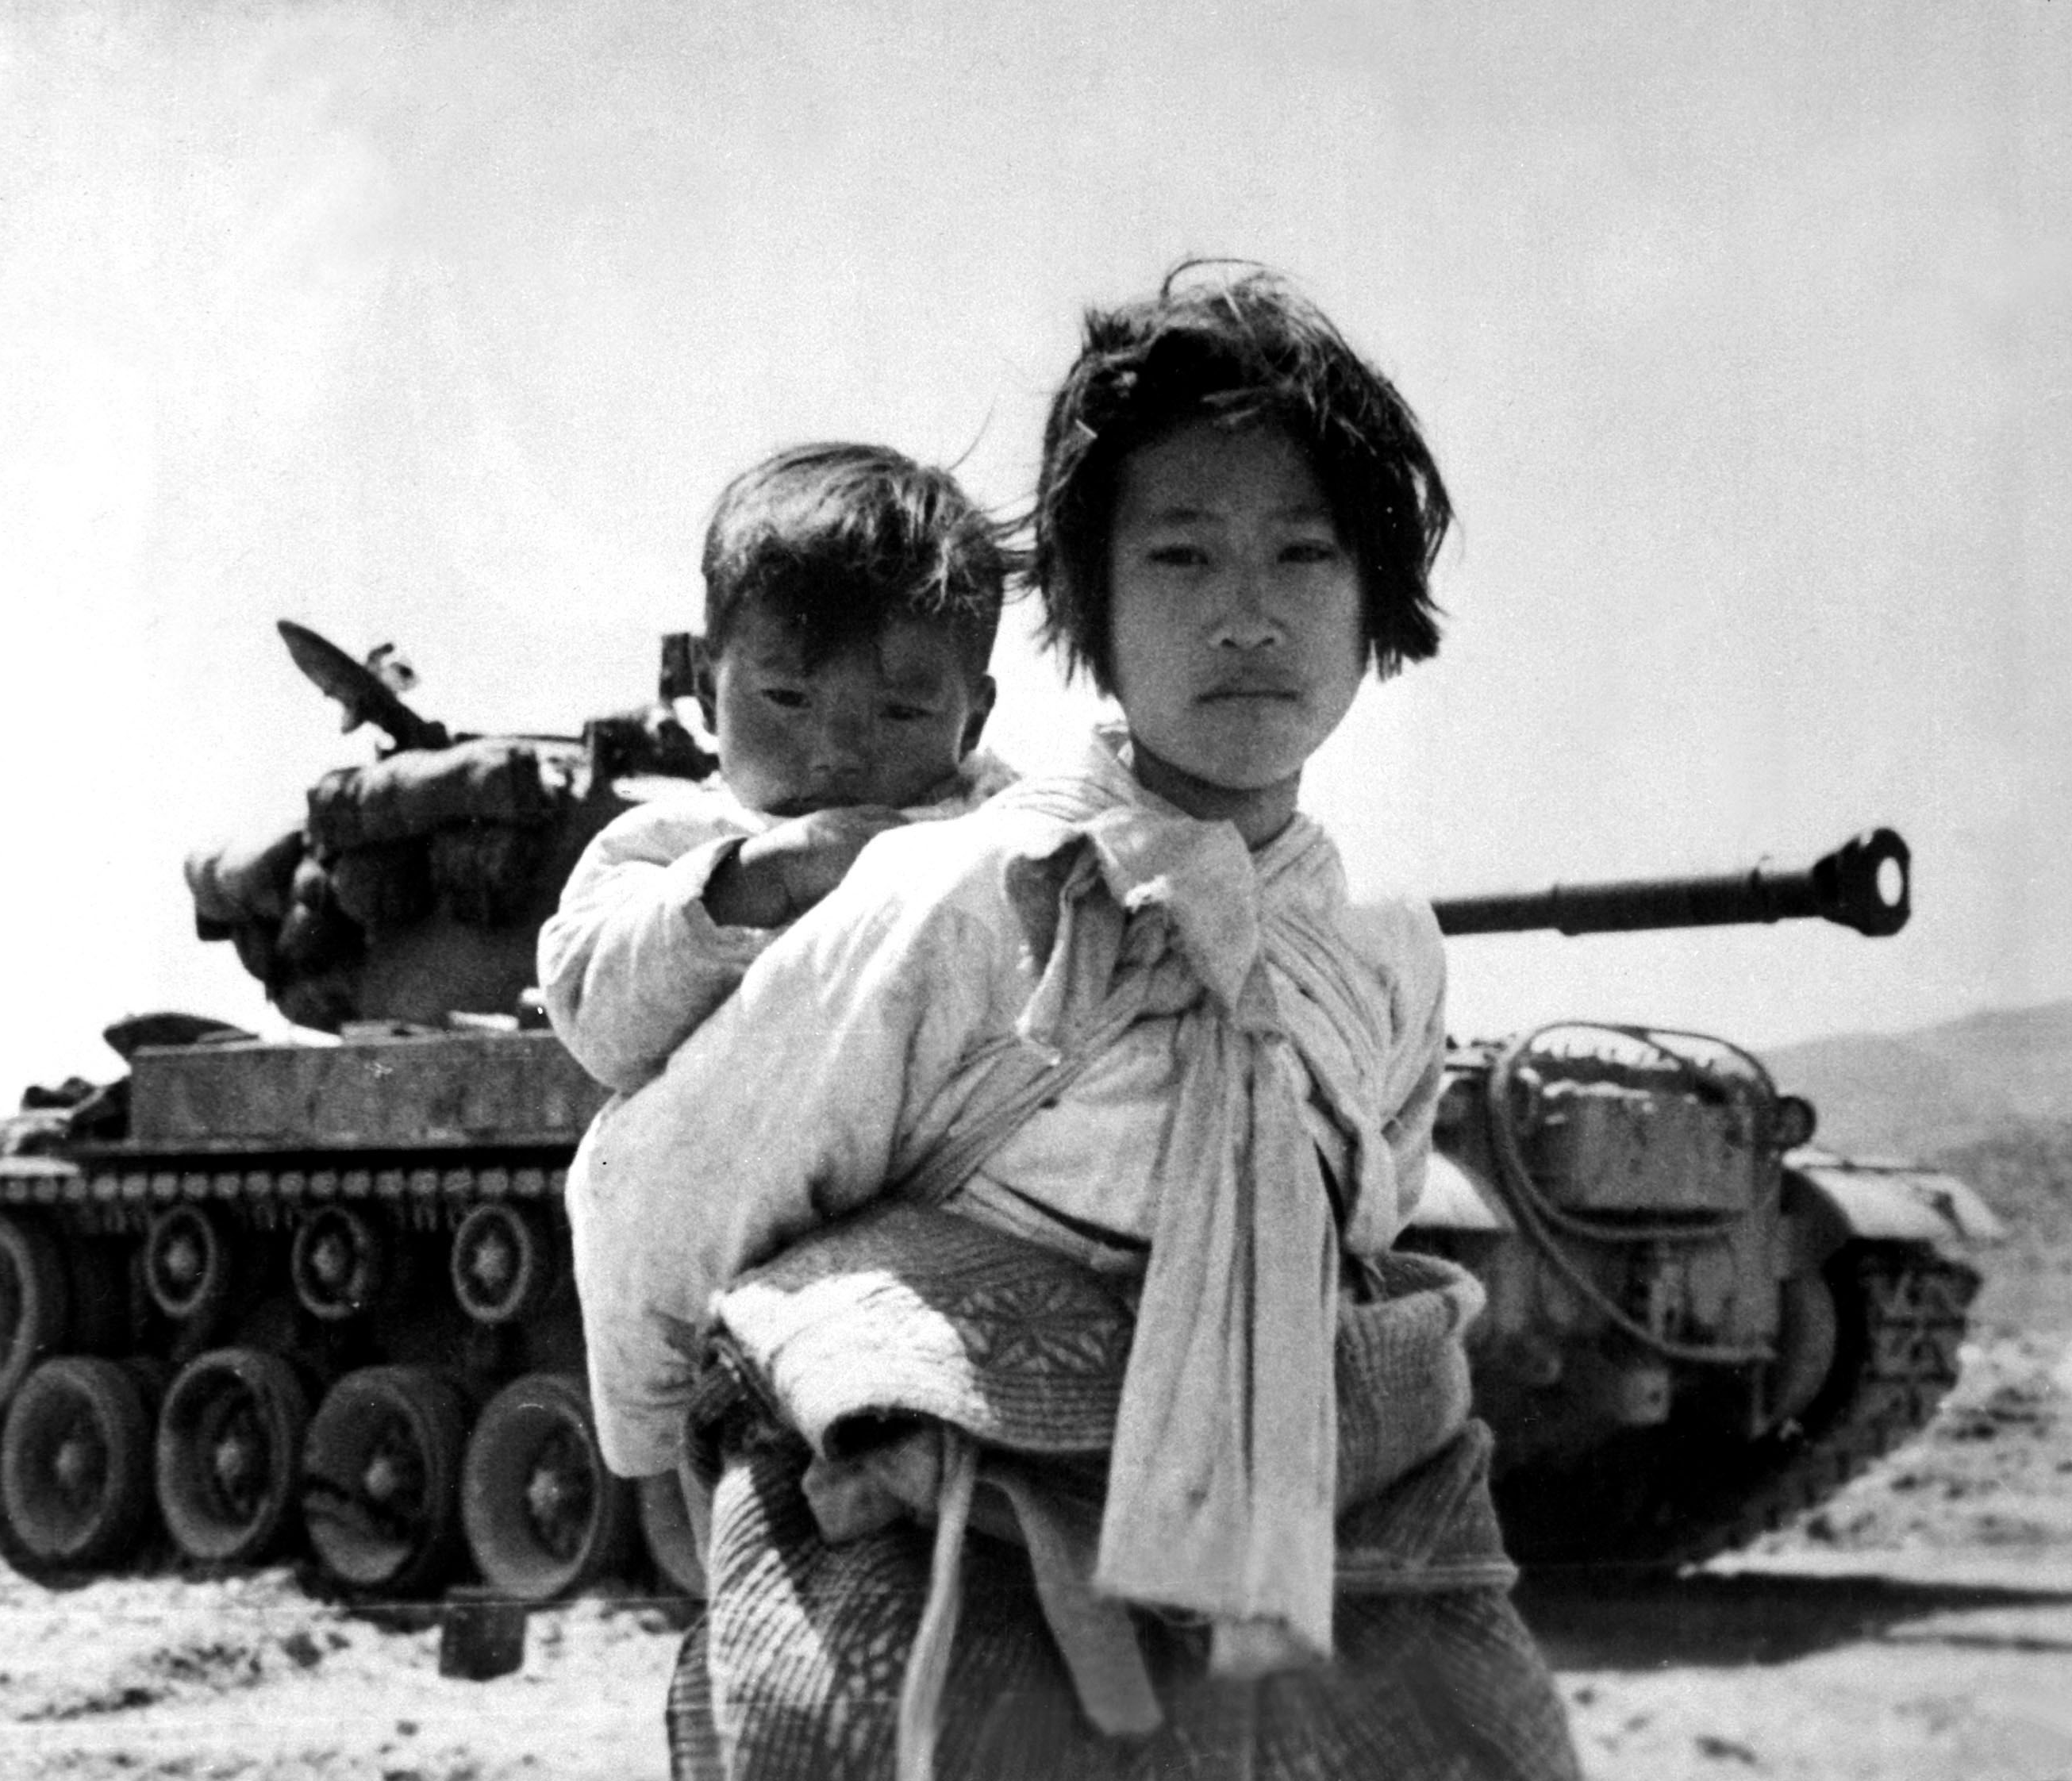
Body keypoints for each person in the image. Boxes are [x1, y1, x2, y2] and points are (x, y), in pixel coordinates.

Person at [568, 267, 1581, 1780]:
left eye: (1303, 553)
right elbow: (670, 1177)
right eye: (1178, 555)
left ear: (1375, 610)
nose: (1245, 613)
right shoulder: (958, 892)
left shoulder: (1385, 957)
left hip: (1296, 1527)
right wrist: (653, 1447)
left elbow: (1363, 1211)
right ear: (1089, 615)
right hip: (953, 1529)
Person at [537, 440, 1015, 1100]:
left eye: (900, 712)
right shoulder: (668, 847)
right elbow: (596, 1019)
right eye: (790, 698)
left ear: (973, 721)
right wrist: (753, 882)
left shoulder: (1006, 840)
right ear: (707, 690)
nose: (839, 754)